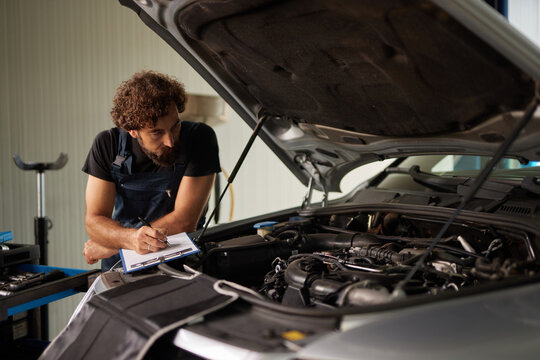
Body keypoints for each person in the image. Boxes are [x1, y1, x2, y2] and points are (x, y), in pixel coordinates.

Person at [82, 70, 220, 271]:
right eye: (156, 132)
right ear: (132, 131)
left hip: (183, 265)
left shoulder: (200, 138)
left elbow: (184, 222)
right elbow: (94, 221)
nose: (170, 141)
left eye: (175, 126)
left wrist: (113, 244)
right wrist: (129, 240)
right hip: (121, 268)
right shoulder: (107, 144)